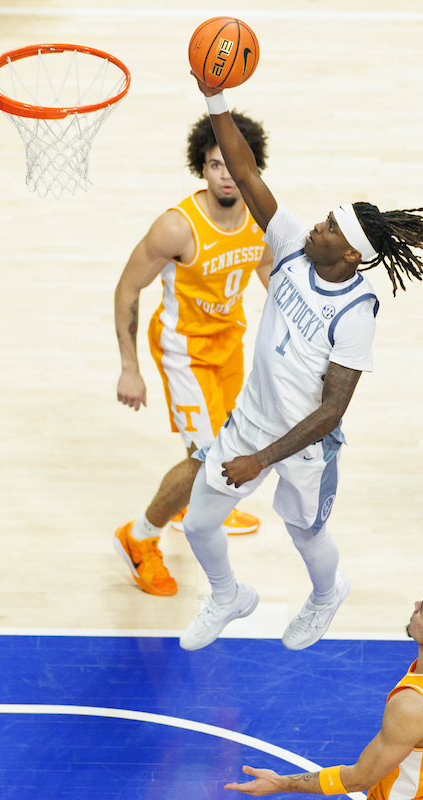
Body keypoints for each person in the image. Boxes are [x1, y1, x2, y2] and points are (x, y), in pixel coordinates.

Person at [180, 74, 423, 651]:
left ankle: (327, 594)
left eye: (329, 228)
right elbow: (246, 172)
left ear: (350, 253)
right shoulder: (289, 246)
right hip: (250, 420)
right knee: (198, 523)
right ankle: (228, 596)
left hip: (305, 444)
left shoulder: (356, 312)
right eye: (324, 218)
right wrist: (214, 97)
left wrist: (261, 461)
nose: (316, 226)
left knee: (305, 532)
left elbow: (332, 411)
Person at [112, 112, 275, 598]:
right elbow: (127, 289)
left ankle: (193, 502)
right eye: (214, 165)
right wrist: (129, 368)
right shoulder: (177, 227)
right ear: (200, 168)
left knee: (228, 447)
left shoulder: (261, 216)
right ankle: (140, 537)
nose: (224, 175)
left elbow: (269, 272)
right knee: (210, 460)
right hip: (183, 350)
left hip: (229, 343)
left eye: (232, 164)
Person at [225, 574, 423, 798]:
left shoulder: (413, 707)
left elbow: (359, 778)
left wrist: (282, 783)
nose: (416, 604)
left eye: (422, 609)